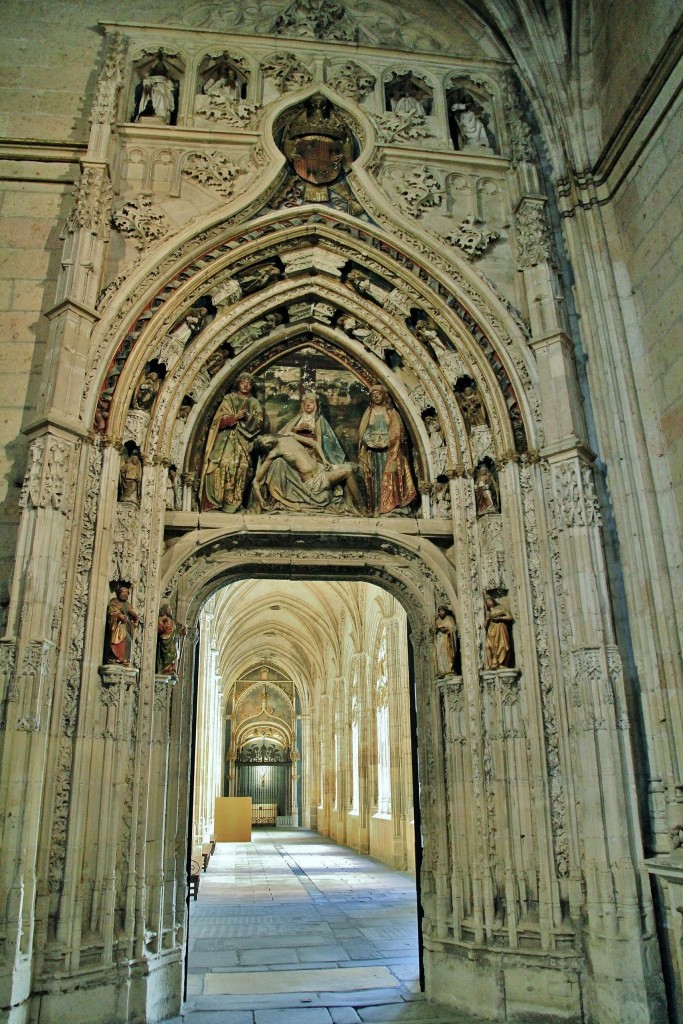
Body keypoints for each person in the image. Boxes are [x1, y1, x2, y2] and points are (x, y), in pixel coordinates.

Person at [252, 433, 364, 514]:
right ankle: (362, 508)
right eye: (266, 444)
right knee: (347, 471)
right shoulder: (274, 453)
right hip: (315, 481)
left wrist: (324, 460)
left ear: (266, 435)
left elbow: (313, 443)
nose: (268, 442)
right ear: (266, 449)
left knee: (353, 467)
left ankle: (349, 505)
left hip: (322, 469)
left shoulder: (289, 436)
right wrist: (260, 500)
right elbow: (256, 481)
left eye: (265, 439)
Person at [201, 373, 264, 512]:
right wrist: (234, 417)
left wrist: (247, 417)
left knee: (241, 467)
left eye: (249, 382)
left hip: (244, 440)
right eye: (243, 382)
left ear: (252, 385)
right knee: (222, 464)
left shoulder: (254, 402)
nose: (246, 385)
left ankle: (235, 503)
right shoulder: (228, 399)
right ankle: (218, 502)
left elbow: (259, 422)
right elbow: (218, 421)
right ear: (238, 384)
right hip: (226, 439)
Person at [358, 385, 417, 515]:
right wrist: (369, 441)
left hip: (390, 452)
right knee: (375, 479)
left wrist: (387, 442)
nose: (376, 396)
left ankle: (390, 506)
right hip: (373, 453)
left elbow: (397, 432)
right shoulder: (369, 412)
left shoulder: (391, 413)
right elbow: (363, 432)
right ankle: (376, 506)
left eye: (378, 394)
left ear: (384, 395)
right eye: (373, 395)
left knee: (390, 476)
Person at [279, 392, 346, 466]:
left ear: (316, 405)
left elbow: (321, 439)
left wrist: (312, 430)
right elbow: (286, 432)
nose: (308, 405)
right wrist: (295, 429)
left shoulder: (318, 419)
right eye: (305, 403)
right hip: (297, 447)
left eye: (311, 402)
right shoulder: (299, 417)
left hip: (312, 449)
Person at [104, 584, 140, 667]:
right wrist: (119, 615)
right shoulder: (114, 602)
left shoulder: (128, 604)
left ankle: (124, 659)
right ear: (119, 593)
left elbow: (132, 613)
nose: (125, 594)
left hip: (127, 626)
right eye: (123, 592)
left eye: (127, 593)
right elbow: (111, 612)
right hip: (118, 626)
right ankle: (115, 657)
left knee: (129, 641)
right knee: (125, 640)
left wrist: (134, 616)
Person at [133, 59, 176, 124]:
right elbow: (146, 82)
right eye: (158, 67)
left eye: (161, 67)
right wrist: (147, 86)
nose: (159, 68)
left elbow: (171, 88)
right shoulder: (151, 78)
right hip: (153, 91)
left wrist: (169, 80)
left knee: (161, 97)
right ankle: (152, 112)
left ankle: (161, 115)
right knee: (157, 96)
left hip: (163, 92)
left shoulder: (166, 80)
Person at [484, 596, 514, 669]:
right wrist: (487, 619)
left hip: (500, 629)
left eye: (490, 601)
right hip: (491, 631)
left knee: (502, 645)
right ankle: (492, 663)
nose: (489, 603)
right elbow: (484, 626)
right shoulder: (488, 612)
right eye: (487, 602)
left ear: (493, 601)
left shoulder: (500, 608)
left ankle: (502, 663)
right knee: (490, 646)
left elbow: (510, 617)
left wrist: (500, 618)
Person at [156, 603, 185, 675]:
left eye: (171, 609)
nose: (171, 610)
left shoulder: (172, 620)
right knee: (169, 653)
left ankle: (171, 668)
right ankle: (165, 669)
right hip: (165, 639)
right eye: (169, 609)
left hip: (172, 640)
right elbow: (159, 626)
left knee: (174, 653)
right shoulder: (163, 618)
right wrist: (164, 629)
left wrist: (183, 630)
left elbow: (177, 629)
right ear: (165, 610)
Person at [434, 606, 458, 677]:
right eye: (439, 611)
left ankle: (449, 669)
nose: (440, 612)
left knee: (445, 652)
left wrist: (447, 630)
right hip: (439, 640)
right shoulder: (437, 621)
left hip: (447, 639)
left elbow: (454, 629)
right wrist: (434, 621)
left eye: (442, 611)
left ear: (445, 611)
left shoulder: (449, 619)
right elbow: (432, 631)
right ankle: (442, 670)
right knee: (439, 653)